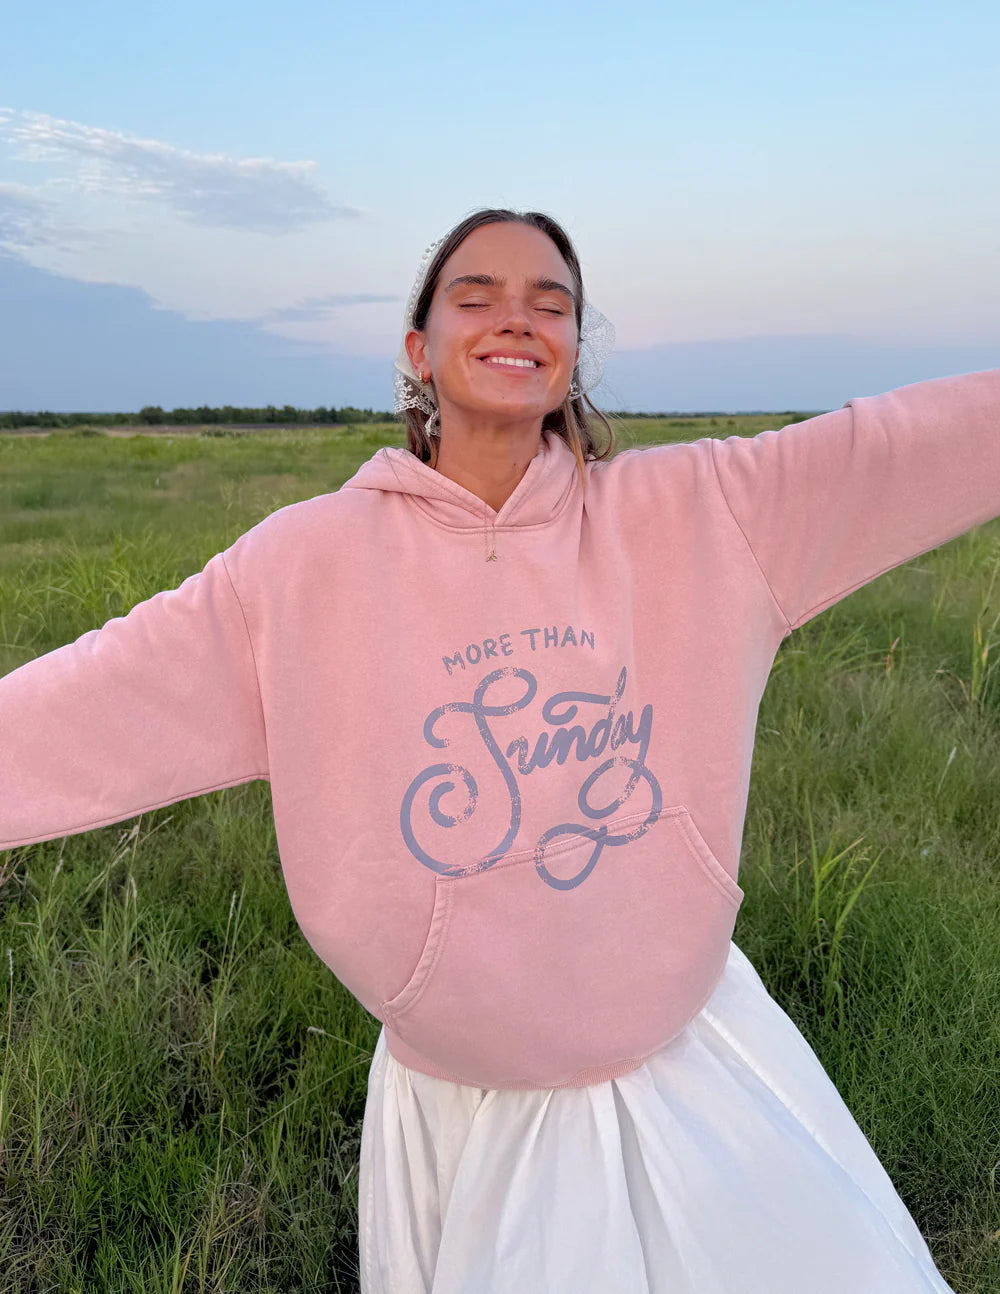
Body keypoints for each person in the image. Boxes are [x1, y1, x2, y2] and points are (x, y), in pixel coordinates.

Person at [2, 207, 997, 1293]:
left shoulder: (703, 509)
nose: (516, 318)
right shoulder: (301, 567)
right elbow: (89, 699)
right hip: (471, 1097)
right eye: (475, 297)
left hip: (689, 1060)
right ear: (419, 350)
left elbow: (893, 447)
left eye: (550, 303)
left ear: (572, 352)